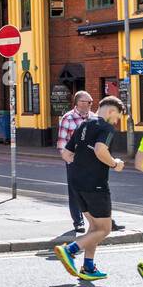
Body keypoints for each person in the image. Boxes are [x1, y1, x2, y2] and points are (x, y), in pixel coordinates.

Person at [54, 96, 125, 281]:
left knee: (94, 227)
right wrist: (114, 164)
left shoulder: (83, 125)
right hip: (96, 184)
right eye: (117, 117)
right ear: (110, 111)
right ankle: (70, 250)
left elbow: (67, 154)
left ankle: (88, 267)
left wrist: (82, 165)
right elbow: (100, 150)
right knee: (105, 229)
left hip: (76, 182)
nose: (116, 121)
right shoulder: (106, 127)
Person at [56, 90, 96, 234]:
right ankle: (78, 222)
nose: (91, 104)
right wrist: (70, 161)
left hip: (92, 162)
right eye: (88, 102)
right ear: (79, 103)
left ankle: (97, 219)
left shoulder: (94, 118)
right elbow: (61, 143)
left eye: (91, 102)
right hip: (74, 161)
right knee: (75, 192)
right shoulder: (68, 118)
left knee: (93, 191)